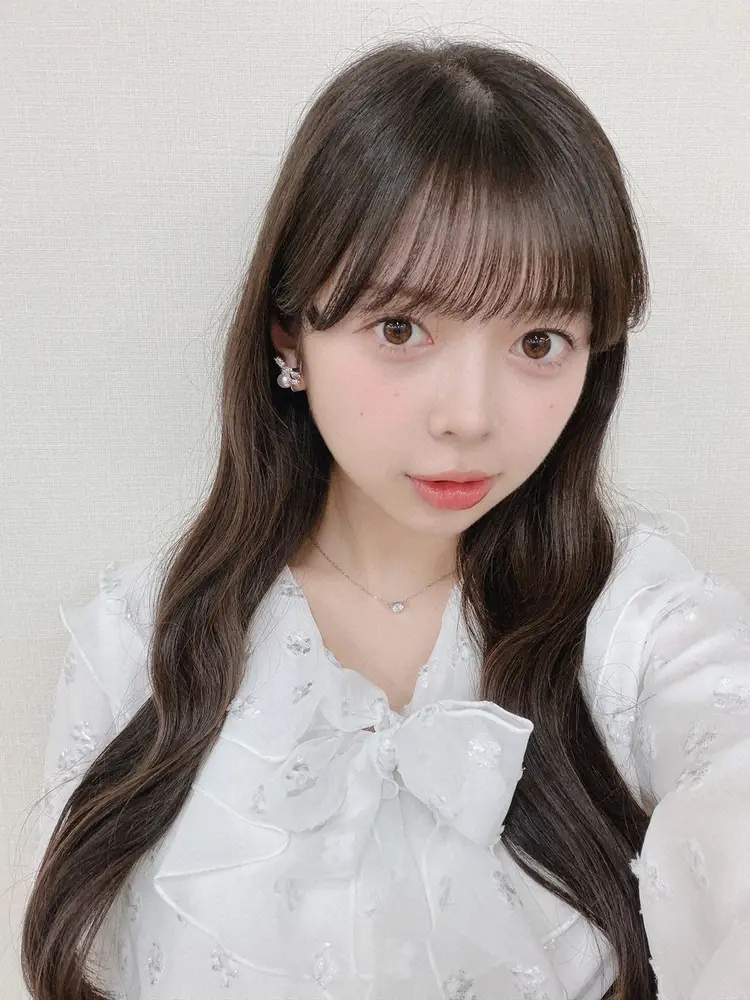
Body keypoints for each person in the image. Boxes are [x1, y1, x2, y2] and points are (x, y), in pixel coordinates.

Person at [21, 36, 750, 1000]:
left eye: (540, 342)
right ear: (291, 336)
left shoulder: (640, 635)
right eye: (401, 329)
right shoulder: (137, 646)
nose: (470, 417)